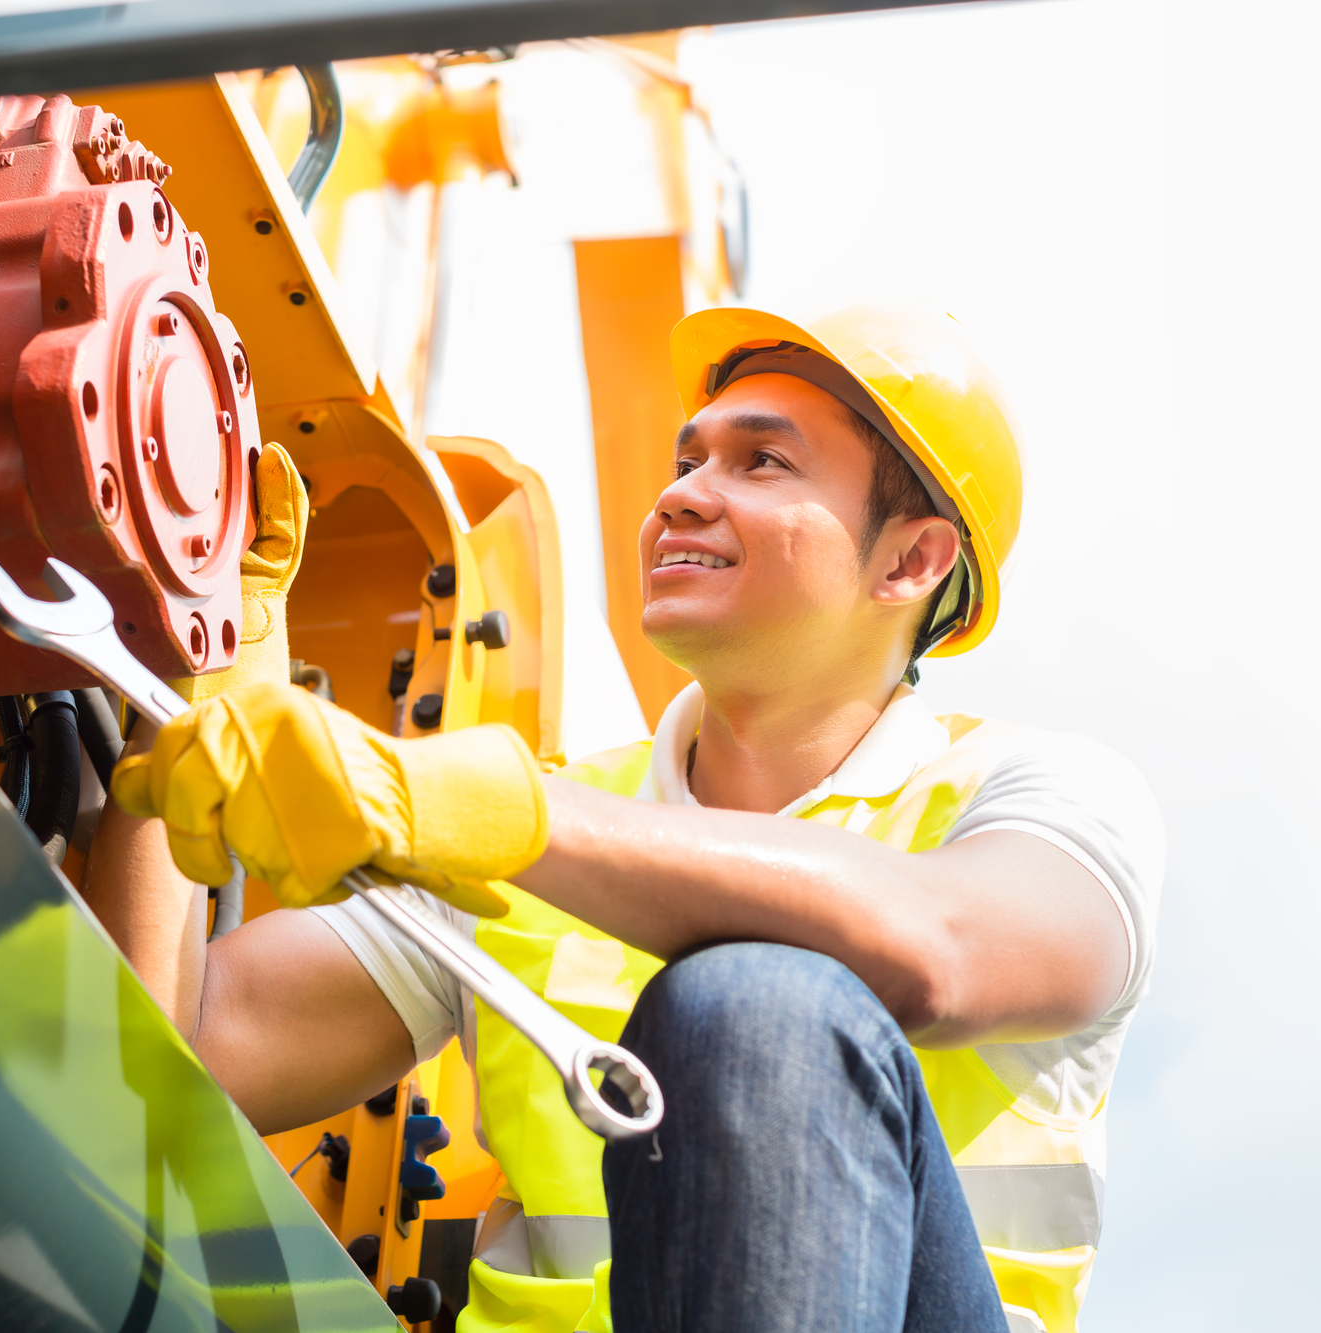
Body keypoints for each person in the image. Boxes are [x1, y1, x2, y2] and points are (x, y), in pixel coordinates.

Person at [88, 305, 1163, 1333]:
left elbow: (936, 948)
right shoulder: (541, 822)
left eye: (762, 462)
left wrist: (503, 816)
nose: (684, 496)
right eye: (687, 460)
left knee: (757, 1005)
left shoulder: (1035, 795)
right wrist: (188, 663)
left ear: (911, 560)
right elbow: (170, 1056)